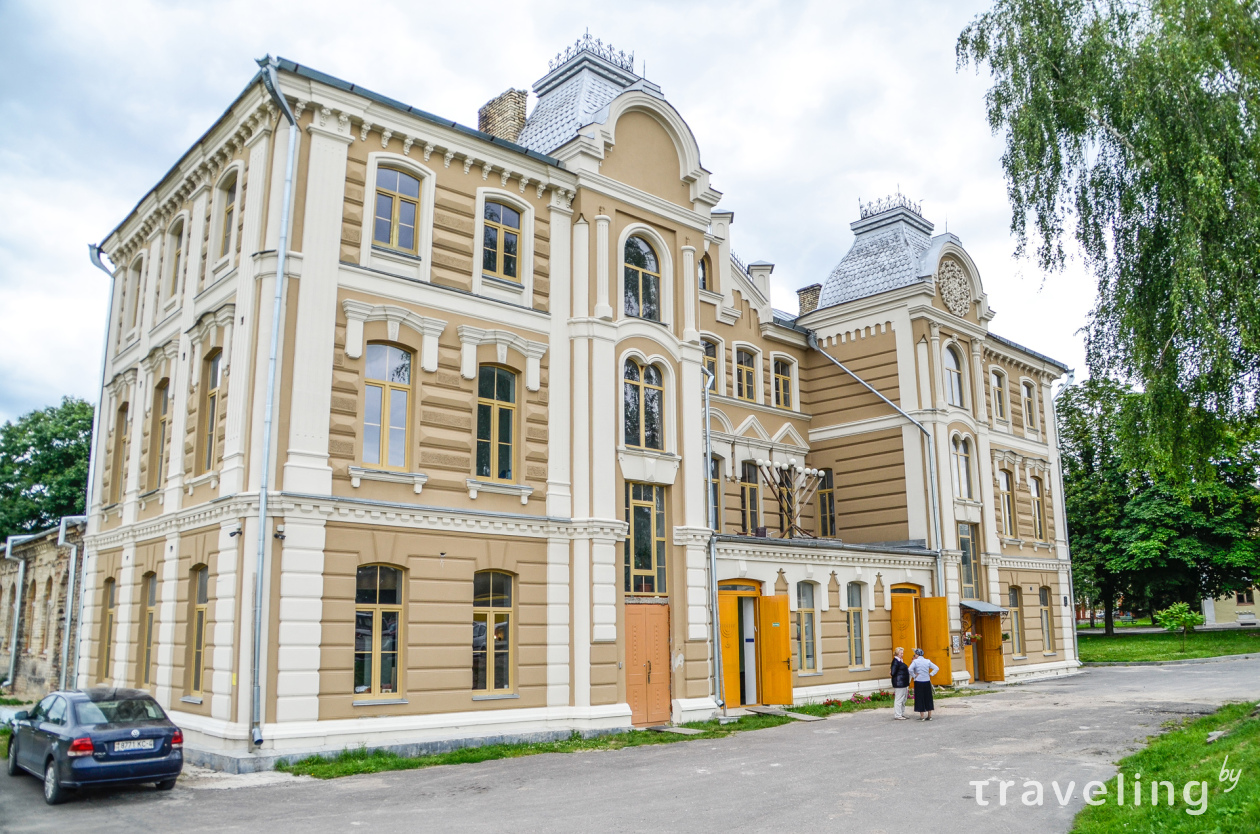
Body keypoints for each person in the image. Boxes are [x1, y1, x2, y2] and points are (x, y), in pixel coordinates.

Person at [907, 648, 939, 720]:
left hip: (918, 681)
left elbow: (909, 669)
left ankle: (922, 716)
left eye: (915, 654)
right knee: (928, 697)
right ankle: (929, 715)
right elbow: (936, 668)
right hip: (927, 680)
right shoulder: (927, 661)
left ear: (917, 654)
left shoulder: (915, 662)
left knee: (920, 697)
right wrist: (931, 674)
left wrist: (914, 675)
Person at [889, 647, 911, 720]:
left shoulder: (900, 661)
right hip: (899, 683)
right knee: (899, 699)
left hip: (903, 682)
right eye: (901, 653)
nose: (902, 654)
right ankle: (898, 715)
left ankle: (901, 713)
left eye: (902, 653)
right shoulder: (895, 661)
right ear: (897, 653)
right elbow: (893, 672)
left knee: (903, 699)